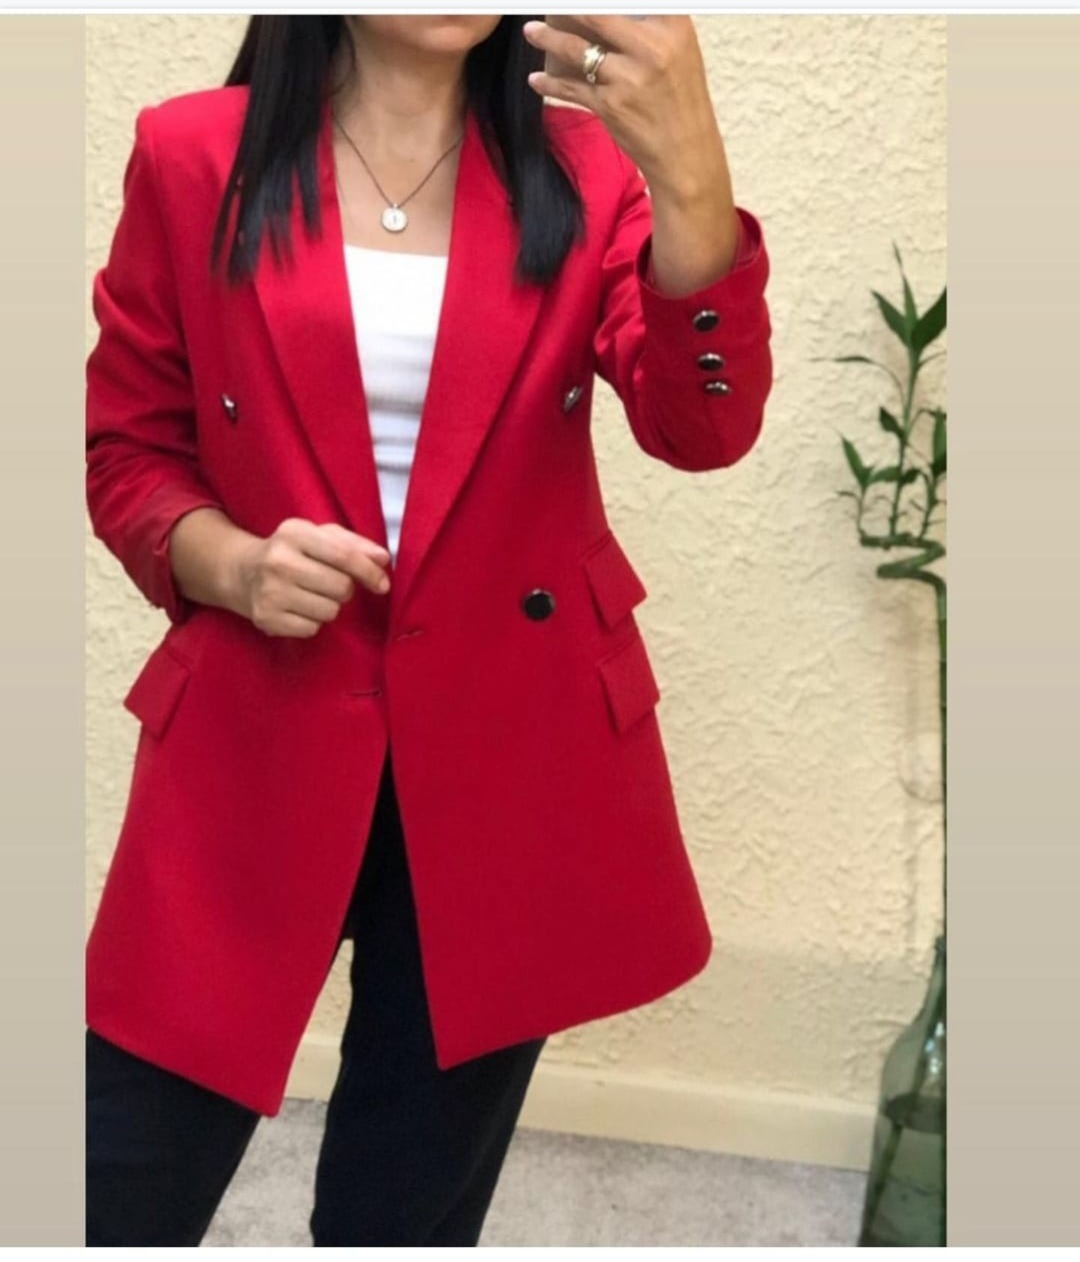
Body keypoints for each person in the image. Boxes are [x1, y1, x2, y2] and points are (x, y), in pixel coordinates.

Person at [84, 14, 773, 1247]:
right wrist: (233, 563)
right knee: (113, 1178)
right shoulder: (192, 155)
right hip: (258, 724)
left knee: (406, 1213)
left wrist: (690, 170)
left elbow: (702, 425)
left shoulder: (585, 174)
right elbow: (129, 449)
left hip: (512, 747)